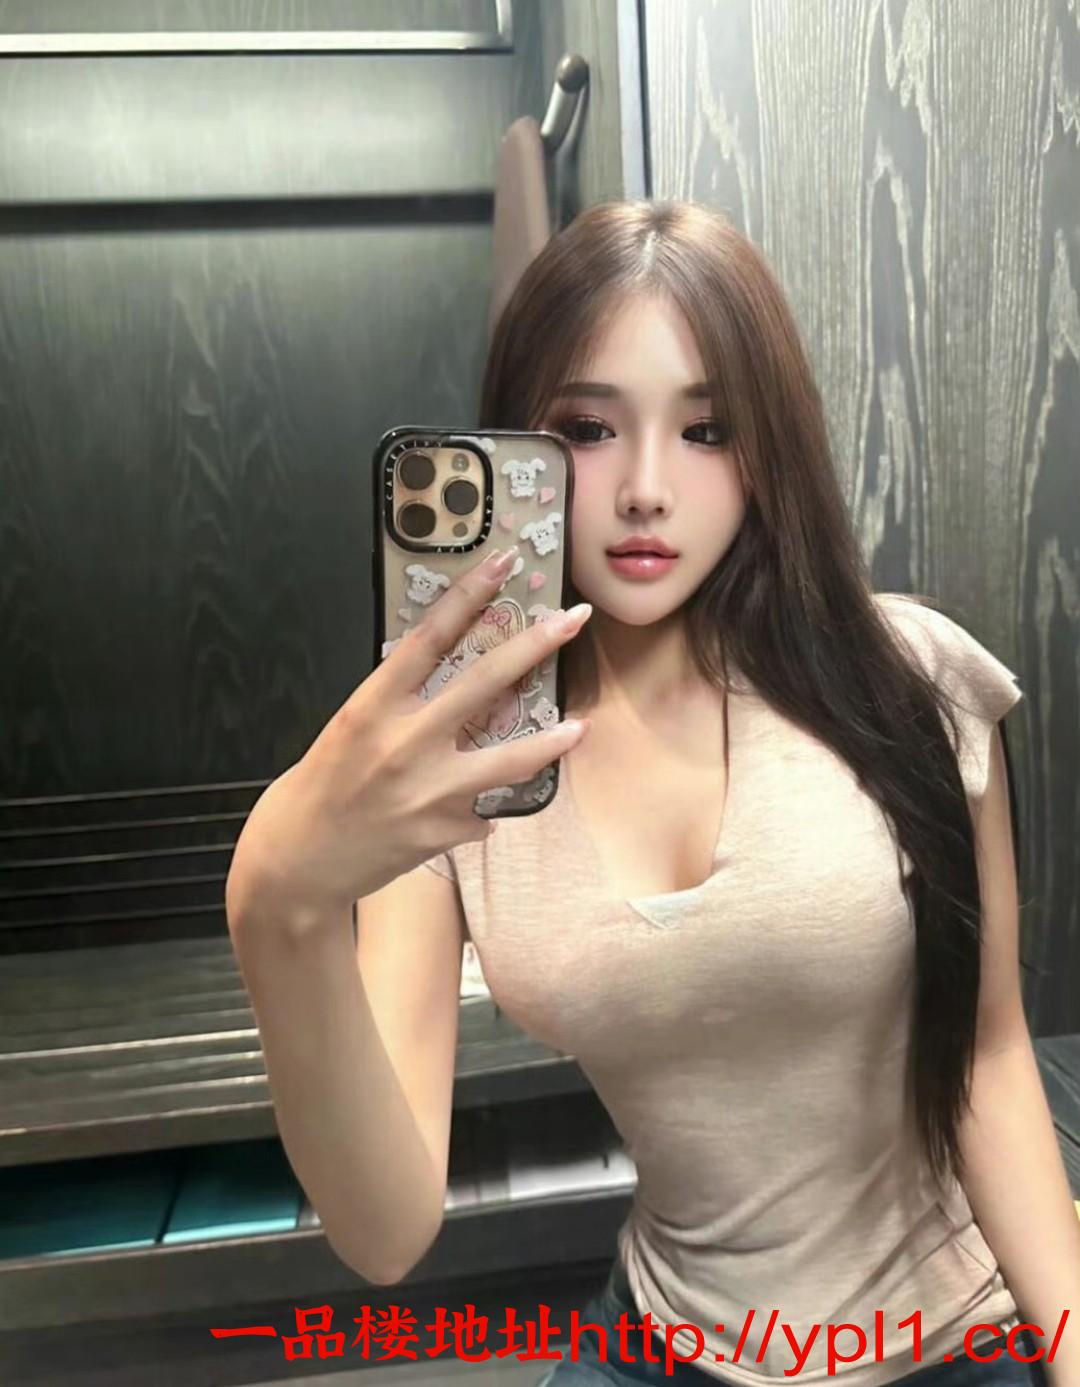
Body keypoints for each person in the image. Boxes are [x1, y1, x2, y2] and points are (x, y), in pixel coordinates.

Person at [224, 200, 1080, 1387]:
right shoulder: (459, 767)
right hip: (661, 1345)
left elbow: (988, 1053)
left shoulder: (911, 685)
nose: (643, 488)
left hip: (944, 1341)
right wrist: (276, 902)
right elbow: (385, 1230)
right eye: (587, 428)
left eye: (706, 430)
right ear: (518, 445)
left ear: (770, 446)